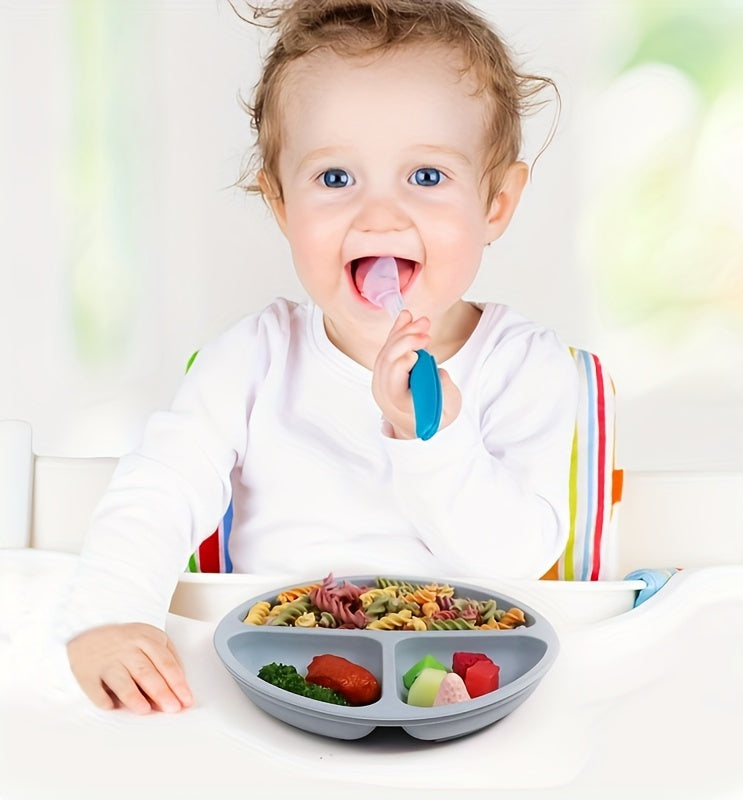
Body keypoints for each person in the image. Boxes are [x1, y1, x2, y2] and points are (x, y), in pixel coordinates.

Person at [61, 0, 578, 715]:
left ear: (496, 203)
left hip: (470, 688)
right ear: (279, 202)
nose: (379, 216)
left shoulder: (531, 370)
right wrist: (111, 614)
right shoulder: (251, 361)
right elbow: (158, 492)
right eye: (336, 179)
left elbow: (516, 562)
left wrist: (434, 439)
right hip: (273, 678)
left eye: (426, 177)